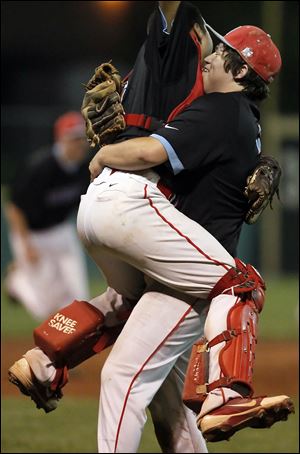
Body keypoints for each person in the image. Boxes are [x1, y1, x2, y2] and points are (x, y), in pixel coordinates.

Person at [8, 3, 293, 454]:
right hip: (173, 262)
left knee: (235, 284)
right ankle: (47, 359)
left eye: (222, 52)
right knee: (164, 401)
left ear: (241, 71)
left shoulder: (221, 109)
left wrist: (103, 155)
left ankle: (223, 394)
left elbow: (150, 152)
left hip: (186, 279)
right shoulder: (234, 116)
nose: (210, 55)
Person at [3, 111, 91, 319]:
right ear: (61, 139)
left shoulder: (83, 169)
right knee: (44, 307)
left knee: (78, 297)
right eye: (75, 139)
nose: (80, 144)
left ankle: (71, 345)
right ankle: (16, 281)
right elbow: (14, 207)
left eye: (82, 138)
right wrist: (25, 245)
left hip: (61, 230)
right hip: (33, 234)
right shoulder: (39, 167)